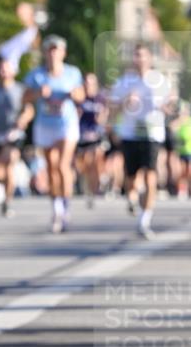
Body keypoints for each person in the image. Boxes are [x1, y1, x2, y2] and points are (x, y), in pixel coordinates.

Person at [108, 44, 173, 238]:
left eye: (143, 56)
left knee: (151, 175)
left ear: (150, 59)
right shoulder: (124, 82)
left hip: (153, 134)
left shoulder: (159, 81)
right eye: (137, 56)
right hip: (130, 134)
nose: (140, 60)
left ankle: (145, 219)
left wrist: (166, 107)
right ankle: (133, 197)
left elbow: (171, 105)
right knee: (131, 178)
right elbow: (112, 108)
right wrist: (125, 103)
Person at [22, 35, 84, 232]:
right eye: (50, 49)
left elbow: (82, 95)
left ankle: (66, 204)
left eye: (57, 49)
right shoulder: (37, 75)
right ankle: (56, 206)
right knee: (51, 167)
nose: (53, 53)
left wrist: (75, 96)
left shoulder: (72, 73)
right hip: (45, 124)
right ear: (45, 52)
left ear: (63, 53)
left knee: (64, 164)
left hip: (67, 124)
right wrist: (39, 94)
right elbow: (25, 97)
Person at [0, 58, 31, 217]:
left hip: (13, 133)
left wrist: (23, 119)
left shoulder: (20, 89)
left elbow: (29, 110)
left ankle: (7, 201)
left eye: (6, 69)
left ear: (13, 72)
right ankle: (4, 188)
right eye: (1, 69)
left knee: (10, 161)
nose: (3, 72)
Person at [75, 72, 108, 206]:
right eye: (86, 83)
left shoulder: (100, 98)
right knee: (85, 165)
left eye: (91, 83)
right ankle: (89, 187)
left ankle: (97, 187)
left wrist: (101, 117)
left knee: (96, 158)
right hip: (82, 136)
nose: (88, 86)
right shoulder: (80, 98)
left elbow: (104, 116)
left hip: (96, 135)